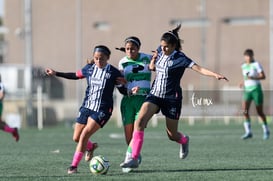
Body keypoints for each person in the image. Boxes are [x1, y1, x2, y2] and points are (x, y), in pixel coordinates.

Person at [120, 25, 228, 169]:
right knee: (139, 122)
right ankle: (133, 158)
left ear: (174, 46)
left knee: (172, 135)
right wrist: (152, 62)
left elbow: (199, 68)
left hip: (172, 99)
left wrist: (215, 75)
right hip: (154, 95)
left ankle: (183, 140)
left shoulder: (180, 58)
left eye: (166, 47)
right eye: (161, 46)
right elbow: (152, 67)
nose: (163, 49)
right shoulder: (159, 51)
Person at [46, 45, 129, 174]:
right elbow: (75, 75)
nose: (99, 61)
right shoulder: (89, 69)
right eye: (96, 58)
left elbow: (122, 90)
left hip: (103, 109)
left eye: (102, 59)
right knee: (76, 137)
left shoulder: (113, 72)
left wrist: (128, 89)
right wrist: (56, 73)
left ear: (108, 58)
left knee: (84, 135)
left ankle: (73, 166)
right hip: (86, 107)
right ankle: (91, 147)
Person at [117, 36, 151, 172]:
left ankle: (128, 159)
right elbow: (120, 84)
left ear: (138, 48)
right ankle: (135, 155)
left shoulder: (148, 58)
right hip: (128, 100)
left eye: (133, 48)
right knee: (128, 136)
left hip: (143, 100)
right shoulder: (123, 62)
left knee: (138, 129)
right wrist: (128, 90)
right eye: (127, 49)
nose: (130, 51)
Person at [240, 49, 270, 140]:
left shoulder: (256, 64)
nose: (247, 58)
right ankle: (248, 132)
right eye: (246, 56)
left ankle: (266, 130)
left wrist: (253, 77)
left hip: (256, 90)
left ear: (252, 56)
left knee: (259, 112)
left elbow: (263, 76)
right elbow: (246, 77)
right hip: (247, 90)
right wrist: (242, 82)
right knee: (244, 111)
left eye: (249, 56)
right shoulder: (243, 65)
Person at [0, 74, 19, 142]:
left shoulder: (1, 84)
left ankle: (13, 130)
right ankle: (13, 130)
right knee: (0, 124)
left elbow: (2, 95)